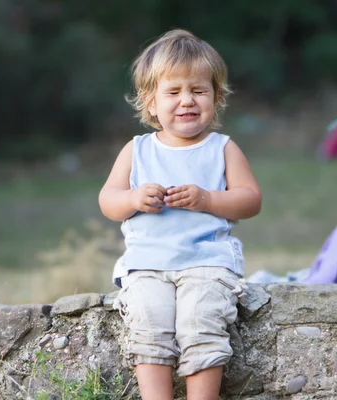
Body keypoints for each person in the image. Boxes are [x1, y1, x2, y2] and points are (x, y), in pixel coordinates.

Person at [98, 29, 262, 400]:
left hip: (207, 263)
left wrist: (207, 199)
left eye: (198, 91)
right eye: (173, 92)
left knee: (201, 325)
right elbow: (108, 201)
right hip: (147, 265)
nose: (186, 101)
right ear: (150, 101)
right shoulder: (137, 150)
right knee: (149, 327)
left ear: (216, 98)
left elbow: (250, 200)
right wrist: (134, 198)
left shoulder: (222, 148)